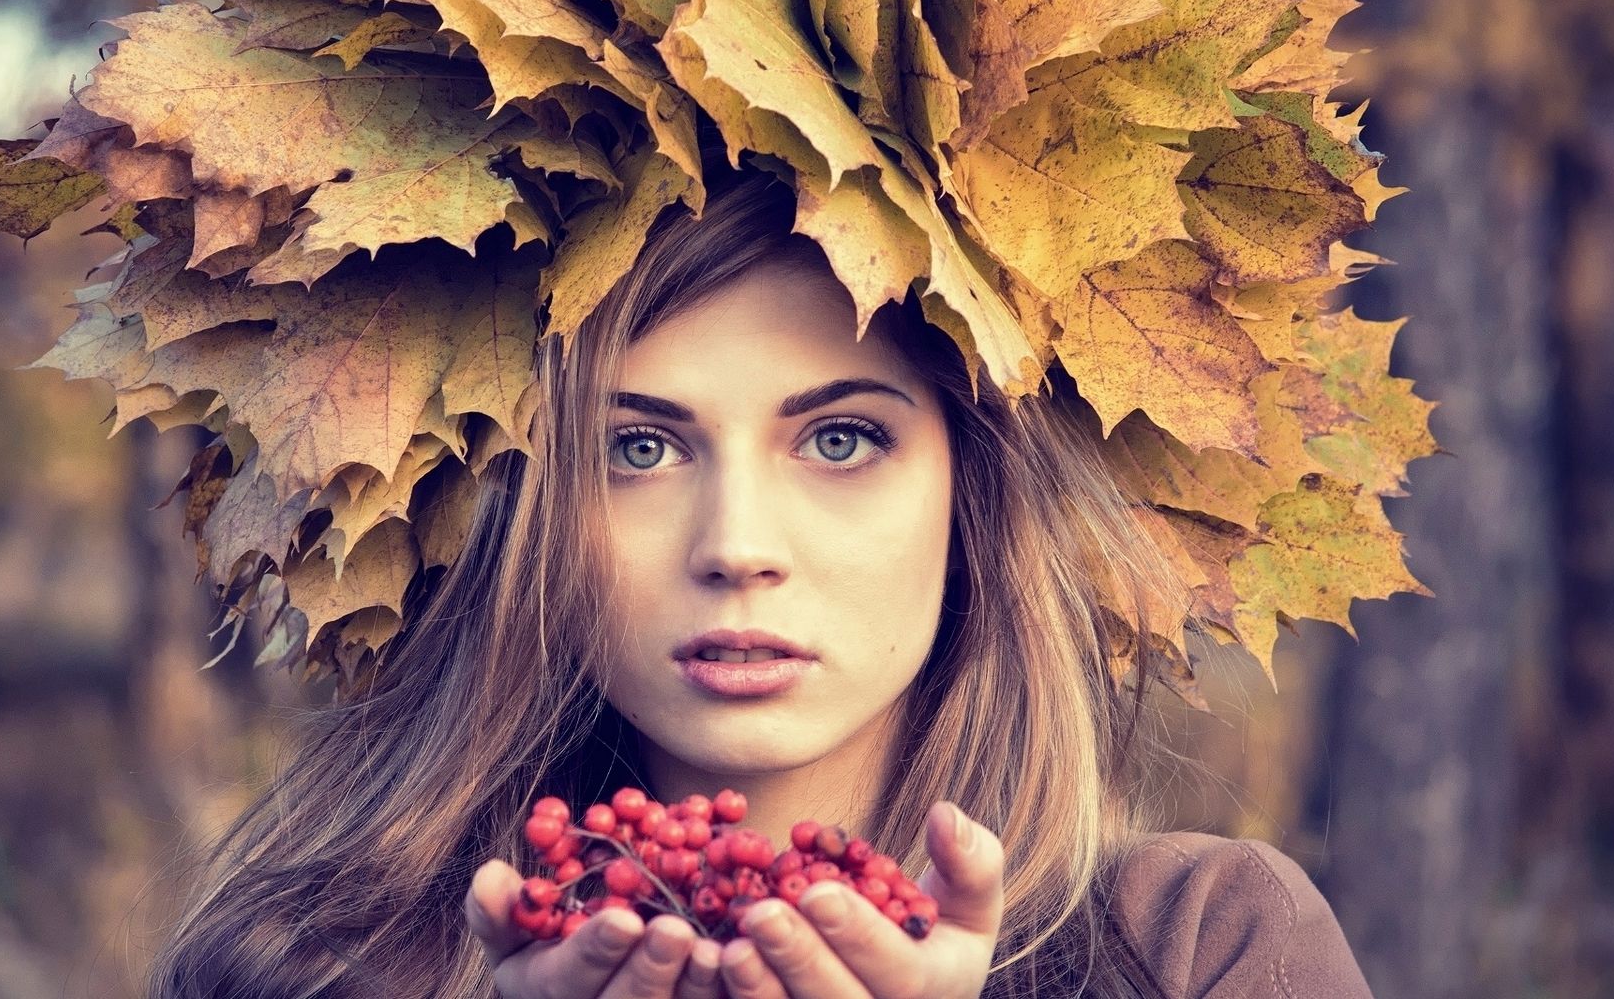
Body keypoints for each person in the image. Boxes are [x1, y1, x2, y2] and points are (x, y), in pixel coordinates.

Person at [144, 160, 1378, 998]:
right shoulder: (313, 965)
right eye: (636, 449)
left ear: (971, 494)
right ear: (520, 514)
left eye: (840, 439)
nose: (737, 544)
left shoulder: (1201, 948)